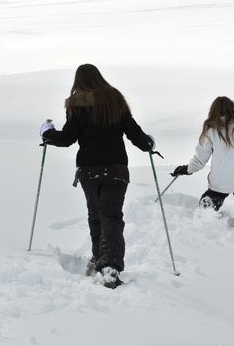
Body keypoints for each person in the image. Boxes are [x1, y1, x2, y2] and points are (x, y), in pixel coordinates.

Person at [41, 63, 155, 289]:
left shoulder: (77, 104)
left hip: (89, 170)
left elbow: (67, 138)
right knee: (111, 216)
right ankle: (109, 264)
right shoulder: (115, 100)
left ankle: (99, 258)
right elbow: (132, 131)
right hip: (116, 170)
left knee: (95, 215)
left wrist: (47, 133)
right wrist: (147, 143)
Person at [171, 97, 234, 235]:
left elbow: (201, 157)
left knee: (215, 194)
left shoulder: (211, 130)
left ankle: (208, 209)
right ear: (232, 108)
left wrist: (187, 169)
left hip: (220, 179)